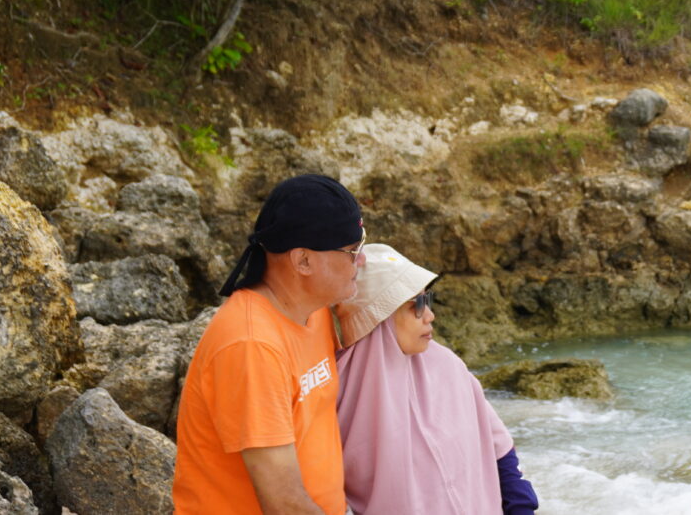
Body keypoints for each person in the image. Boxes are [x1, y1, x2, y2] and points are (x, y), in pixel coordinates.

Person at [173, 174, 365, 515]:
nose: (361, 261)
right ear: (303, 261)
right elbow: (283, 504)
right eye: (353, 251)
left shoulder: (313, 308)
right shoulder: (251, 345)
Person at [333, 243, 539, 515]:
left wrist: (522, 508)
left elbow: (500, 449)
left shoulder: (447, 366)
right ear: (378, 317)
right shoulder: (337, 393)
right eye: (416, 305)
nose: (430, 315)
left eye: (428, 300)